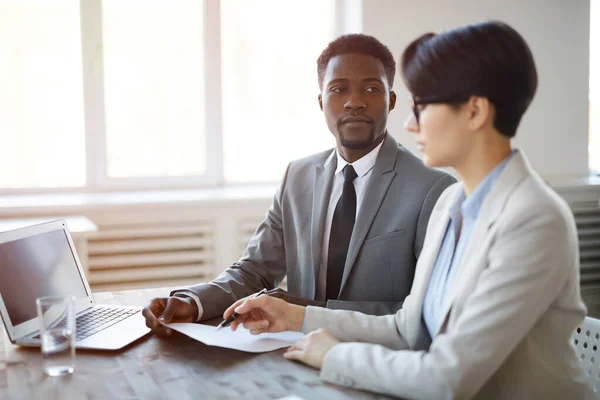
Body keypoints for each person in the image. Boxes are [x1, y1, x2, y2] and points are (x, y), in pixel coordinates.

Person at [222, 21, 592, 399]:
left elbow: (446, 377)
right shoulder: (453, 203)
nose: (411, 124)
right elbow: (407, 328)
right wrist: (295, 316)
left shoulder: (534, 219)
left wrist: (335, 355)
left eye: (423, 105)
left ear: (475, 111)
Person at [142, 34, 455, 333]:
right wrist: (192, 303)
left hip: (378, 362)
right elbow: (256, 271)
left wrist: (307, 314)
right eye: (339, 89)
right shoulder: (297, 176)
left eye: (371, 89)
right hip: (291, 358)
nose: (354, 102)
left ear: (391, 101)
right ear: (321, 102)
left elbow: (426, 311)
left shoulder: (434, 190)